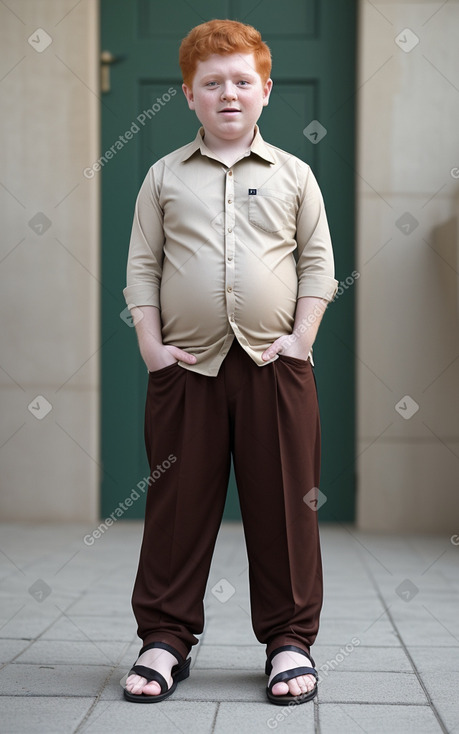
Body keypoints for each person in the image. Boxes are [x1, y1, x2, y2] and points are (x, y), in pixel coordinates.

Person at [122, 18, 338, 705]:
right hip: (185, 370)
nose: (228, 94)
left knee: (284, 506)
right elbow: (142, 266)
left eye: (242, 81)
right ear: (188, 95)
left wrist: (301, 338)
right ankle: (165, 637)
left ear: (266, 90)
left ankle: (287, 642)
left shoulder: (294, 174)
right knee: (177, 505)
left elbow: (316, 263)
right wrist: (151, 348)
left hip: (276, 366)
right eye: (211, 83)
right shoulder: (163, 176)